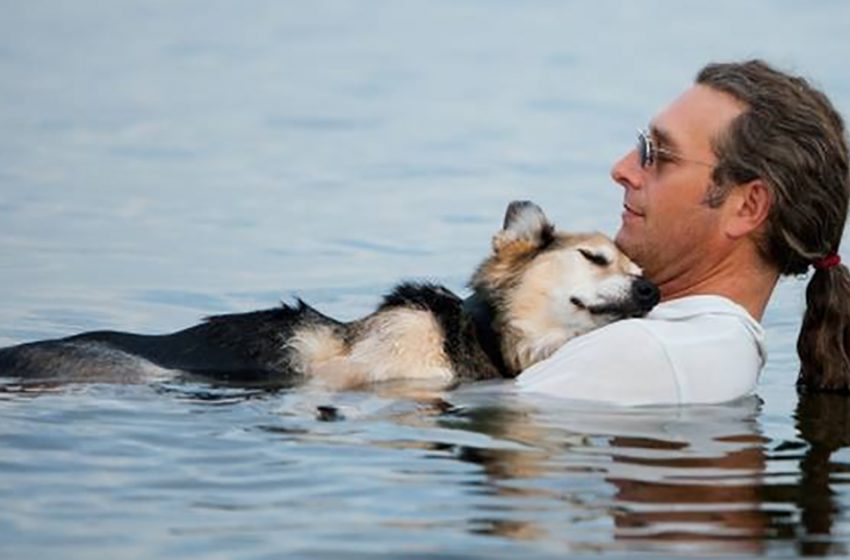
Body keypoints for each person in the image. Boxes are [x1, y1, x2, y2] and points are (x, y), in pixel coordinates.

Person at [516, 60, 850, 406]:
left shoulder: (648, 353)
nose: (622, 169)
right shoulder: (712, 348)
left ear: (748, 207)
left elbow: (484, 422)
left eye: (659, 154)